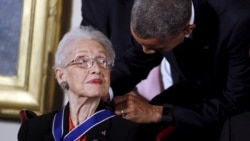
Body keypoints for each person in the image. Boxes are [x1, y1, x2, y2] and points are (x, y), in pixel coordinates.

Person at [109, 0, 250, 140]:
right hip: (192, 88)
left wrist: (157, 113)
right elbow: (135, 62)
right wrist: (104, 90)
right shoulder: (153, 12)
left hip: (236, 105)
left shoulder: (238, 22)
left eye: (155, 48)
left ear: (188, 29)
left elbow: (235, 104)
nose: (145, 51)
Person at [17, 26, 138, 141]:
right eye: (83, 61)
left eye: (102, 61)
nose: (96, 69)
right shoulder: (32, 130)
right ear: (61, 75)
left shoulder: (128, 134)